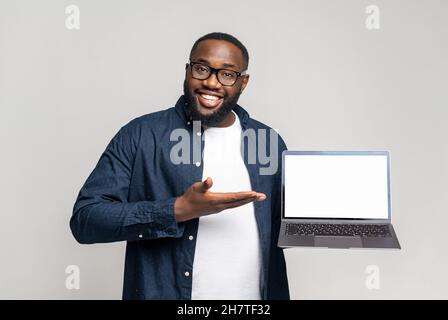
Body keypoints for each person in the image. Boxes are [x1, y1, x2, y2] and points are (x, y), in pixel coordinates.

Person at [70, 32, 290, 300]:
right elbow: (86, 220)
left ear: (243, 82)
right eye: (201, 69)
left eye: (227, 74)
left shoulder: (267, 142)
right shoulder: (141, 135)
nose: (211, 82)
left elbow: (281, 231)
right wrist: (175, 211)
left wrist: (333, 223)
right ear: (187, 71)